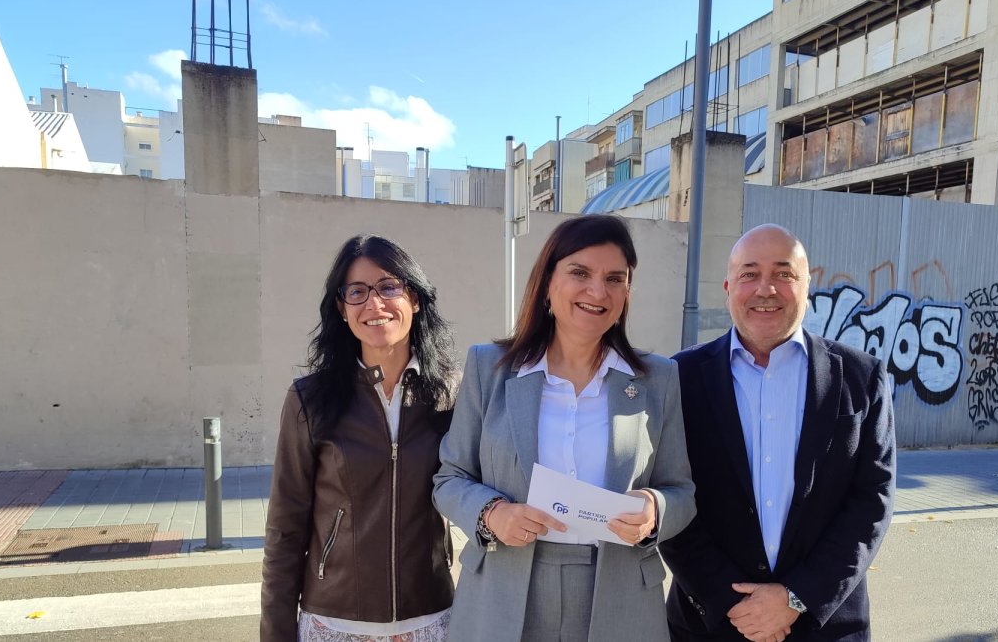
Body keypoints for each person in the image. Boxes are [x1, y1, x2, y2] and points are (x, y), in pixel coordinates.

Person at [433, 214, 696, 642]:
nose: (598, 291)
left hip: (619, 595)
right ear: (548, 283)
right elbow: (450, 478)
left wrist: (654, 510)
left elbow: (680, 492)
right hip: (506, 589)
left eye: (615, 278)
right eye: (580, 273)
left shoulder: (658, 379)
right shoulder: (489, 368)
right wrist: (492, 513)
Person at [660, 224, 895, 642]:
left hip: (825, 625)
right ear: (728, 286)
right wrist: (731, 602)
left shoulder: (861, 377)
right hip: (711, 624)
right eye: (750, 274)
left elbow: (871, 501)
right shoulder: (678, 378)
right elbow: (669, 497)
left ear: (808, 285)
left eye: (784, 274)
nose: (765, 289)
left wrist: (797, 598)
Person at [261, 235, 459, 642]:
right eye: (358, 292)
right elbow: (285, 530)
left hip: (430, 619)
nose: (375, 304)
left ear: (416, 299)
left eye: (389, 286)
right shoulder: (310, 399)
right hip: (333, 624)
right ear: (342, 308)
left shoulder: (449, 394)